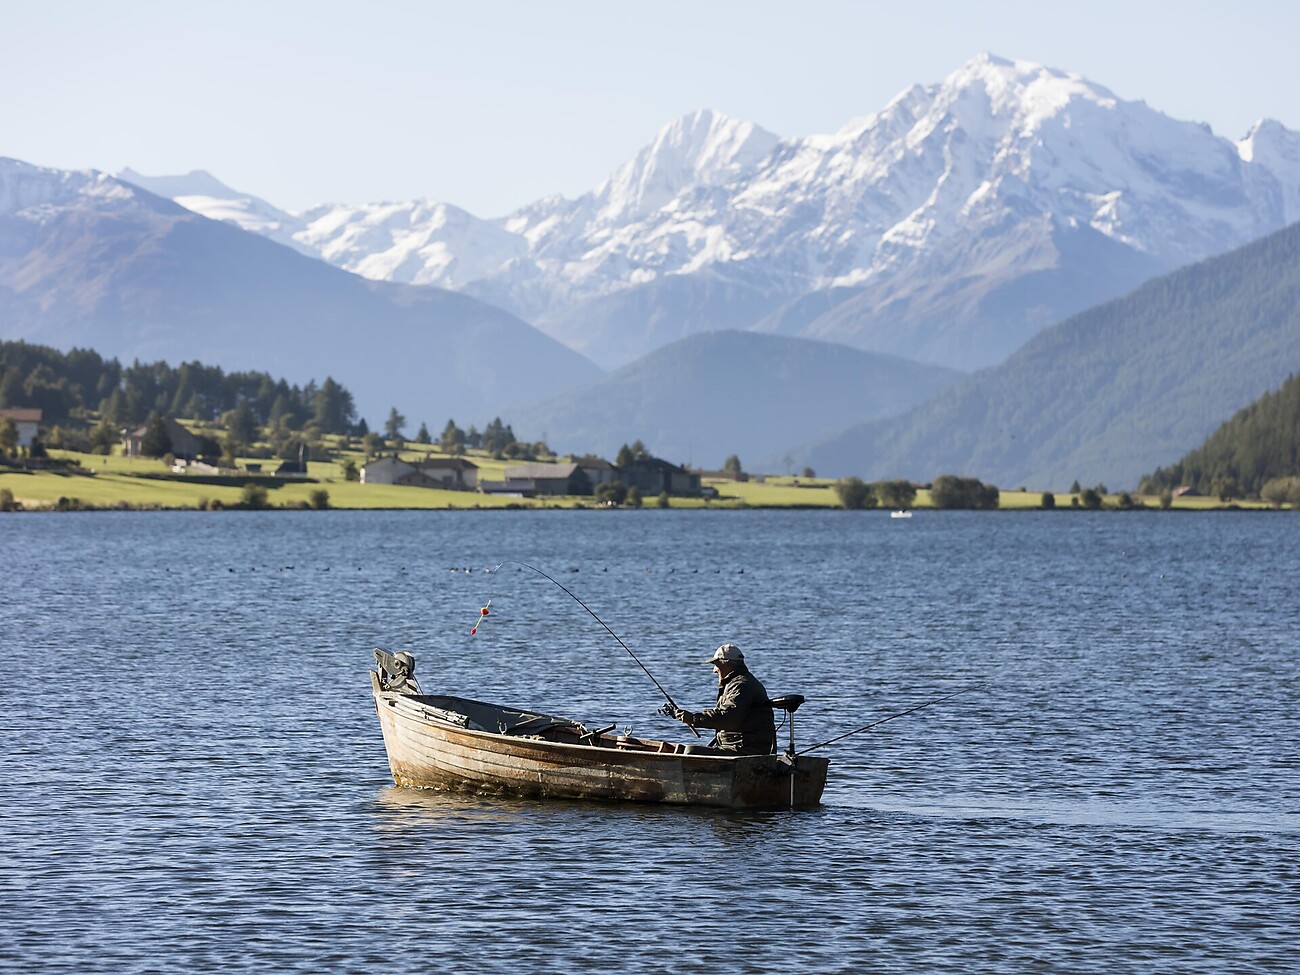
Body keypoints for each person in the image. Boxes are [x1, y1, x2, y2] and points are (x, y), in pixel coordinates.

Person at [673, 643, 775, 755]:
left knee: (691, 751)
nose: (714, 670)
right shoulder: (736, 683)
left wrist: (694, 718)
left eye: (716, 665)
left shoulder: (741, 686)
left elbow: (728, 718)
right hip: (739, 747)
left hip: (746, 750)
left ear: (728, 664)